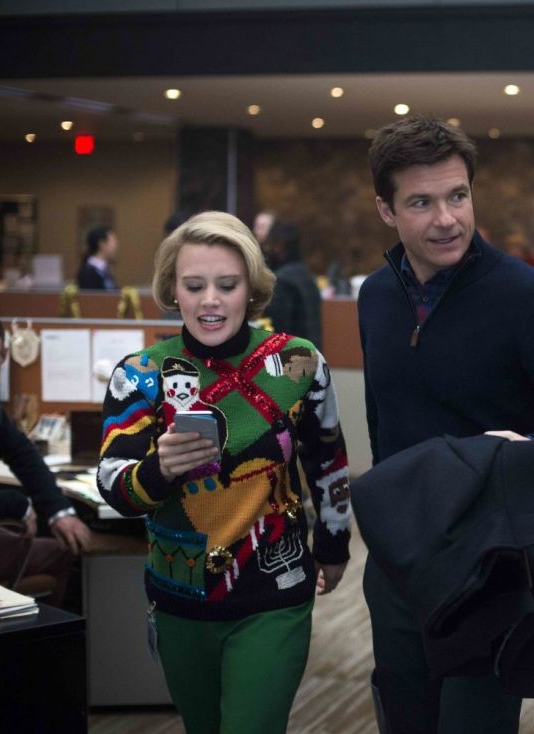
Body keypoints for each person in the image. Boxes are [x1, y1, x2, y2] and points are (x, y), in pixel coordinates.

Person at [357, 114, 534, 733]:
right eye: (421, 202)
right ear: (386, 210)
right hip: (398, 561)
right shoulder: (376, 296)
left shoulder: (527, 298)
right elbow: (382, 422)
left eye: (458, 196)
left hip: (489, 566)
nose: (447, 219)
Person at [97, 211, 352, 734]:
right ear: (173, 290)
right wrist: (159, 469)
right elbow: (113, 485)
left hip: (274, 590)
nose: (210, 300)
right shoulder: (141, 375)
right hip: (179, 595)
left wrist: (334, 543)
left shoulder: (298, 362)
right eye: (194, 286)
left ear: (251, 288)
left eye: (227, 285)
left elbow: (328, 458)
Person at [0, 312, 91, 606]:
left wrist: (59, 511)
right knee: (64, 553)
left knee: (62, 535)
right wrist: (17, 504)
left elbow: (21, 454)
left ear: (4, 356)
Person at [262, 220, 323, 348]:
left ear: (280, 245)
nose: (268, 249)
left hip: (292, 353)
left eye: (271, 244)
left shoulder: (283, 280)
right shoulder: (305, 274)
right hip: (311, 350)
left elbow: (280, 328)